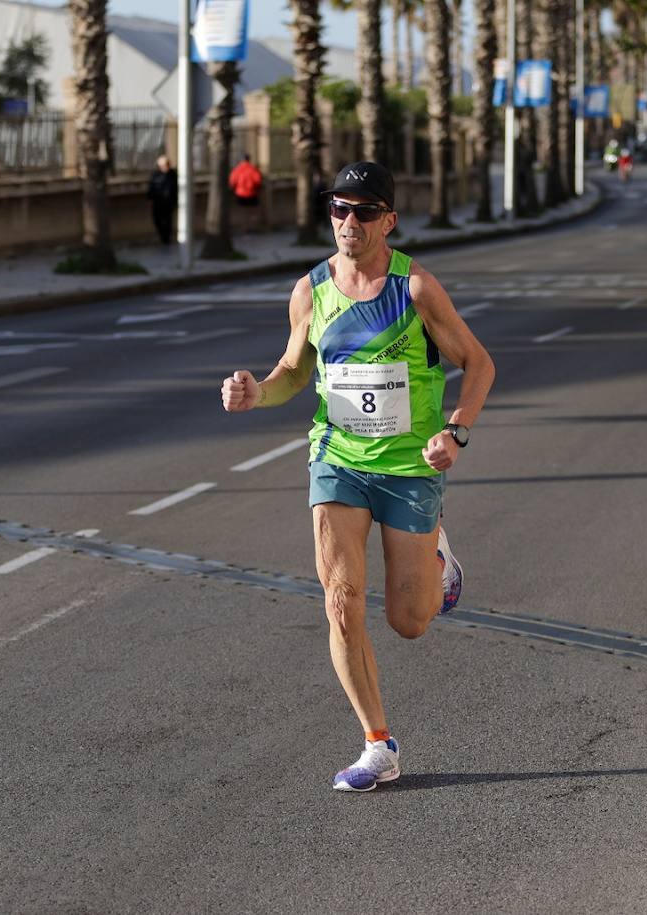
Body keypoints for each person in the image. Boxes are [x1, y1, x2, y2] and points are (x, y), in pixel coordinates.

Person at [219, 161, 496, 792]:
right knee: (340, 600)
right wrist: (254, 394)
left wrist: (455, 432)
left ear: (389, 221)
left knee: (409, 620)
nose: (348, 221)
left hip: (407, 467)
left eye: (363, 211)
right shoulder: (311, 291)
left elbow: (478, 364)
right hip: (337, 457)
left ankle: (437, 557)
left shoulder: (416, 289)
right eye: (339, 209)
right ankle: (378, 744)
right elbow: (293, 370)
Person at [146, 154, 178, 245]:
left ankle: (166, 239)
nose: (165, 167)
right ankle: (163, 237)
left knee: (168, 221)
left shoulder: (173, 174)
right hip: (158, 202)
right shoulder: (155, 175)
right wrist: (150, 197)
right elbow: (151, 187)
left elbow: (175, 188)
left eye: (167, 164)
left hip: (169, 203)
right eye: (163, 165)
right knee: (157, 220)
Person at [228, 154, 264, 233]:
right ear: (249, 160)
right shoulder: (253, 169)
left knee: (243, 212)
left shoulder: (237, 169)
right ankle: (253, 226)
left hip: (240, 193)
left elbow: (232, 182)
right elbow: (258, 181)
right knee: (253, 211)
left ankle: (244, 227)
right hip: (252, 193)